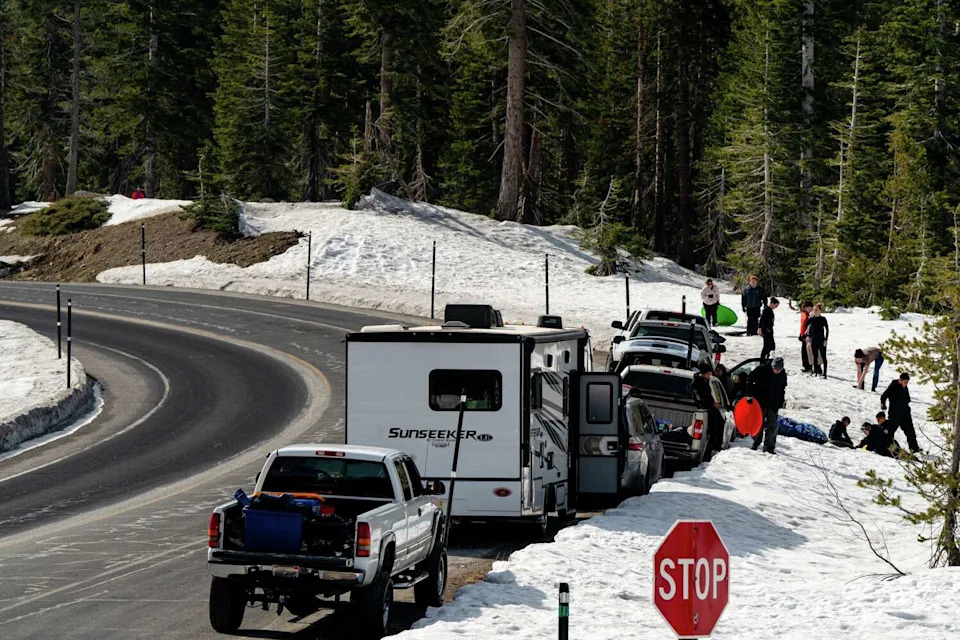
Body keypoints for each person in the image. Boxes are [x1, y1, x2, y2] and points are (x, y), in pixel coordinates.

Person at [748, 356, 788, 454]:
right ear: (772, 366)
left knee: (772, 427)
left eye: (779, 369)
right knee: (758, 424)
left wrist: (780, 402)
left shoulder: (782, 375)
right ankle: (755, 443)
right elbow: (749, 379)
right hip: (760, 402)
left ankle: (769, 448)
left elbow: (782, 389)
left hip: (773, 404)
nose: (777, 371)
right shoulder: (762, 369)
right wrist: (750, 395)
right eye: (775, 369)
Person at [881, 372, 920, 453]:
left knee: (910, 432)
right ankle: (888, 446)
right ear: (900, 380)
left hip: (905, 414)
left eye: (907, 382)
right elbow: (884, 396)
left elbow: (907, 399)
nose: (906, 384)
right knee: (891, 431)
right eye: (905, 382)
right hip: (895, 413)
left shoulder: (905, 387)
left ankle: (914, 449)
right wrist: (883, 404)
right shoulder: (893, 386)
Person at [691, 362, 725, 455]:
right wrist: (711, 404)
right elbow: (701, 397)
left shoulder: (703, 381)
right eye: (708, 374)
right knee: (715, 425)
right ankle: (714, 445)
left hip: (709, 406)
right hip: (705, 407)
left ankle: (715, 445)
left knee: (719, 422)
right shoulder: (698, 382)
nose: (709, 376)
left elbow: (708, 395)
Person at [805, 303, 829, 378]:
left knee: (823, 356)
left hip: (821, 340)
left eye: (816, 310)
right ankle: (815, 371)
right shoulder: (812, 319)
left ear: (819, 311)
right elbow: (806, 325)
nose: (814, 311)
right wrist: (810, 317)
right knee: (814, 356)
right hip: (814, 340)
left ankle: (825, 373)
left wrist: (826, 339)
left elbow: (827, 330)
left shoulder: (823, 319)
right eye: (814, 310)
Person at [799, 301, 813, 372]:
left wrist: (806, 335)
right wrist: (800, 334)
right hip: (803, 335)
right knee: (804, 351)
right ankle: (806, 366)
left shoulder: (810, 315)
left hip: (807, 336)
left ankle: (809, 366)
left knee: (808, 351)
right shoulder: (803, 314)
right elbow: (802, 325)